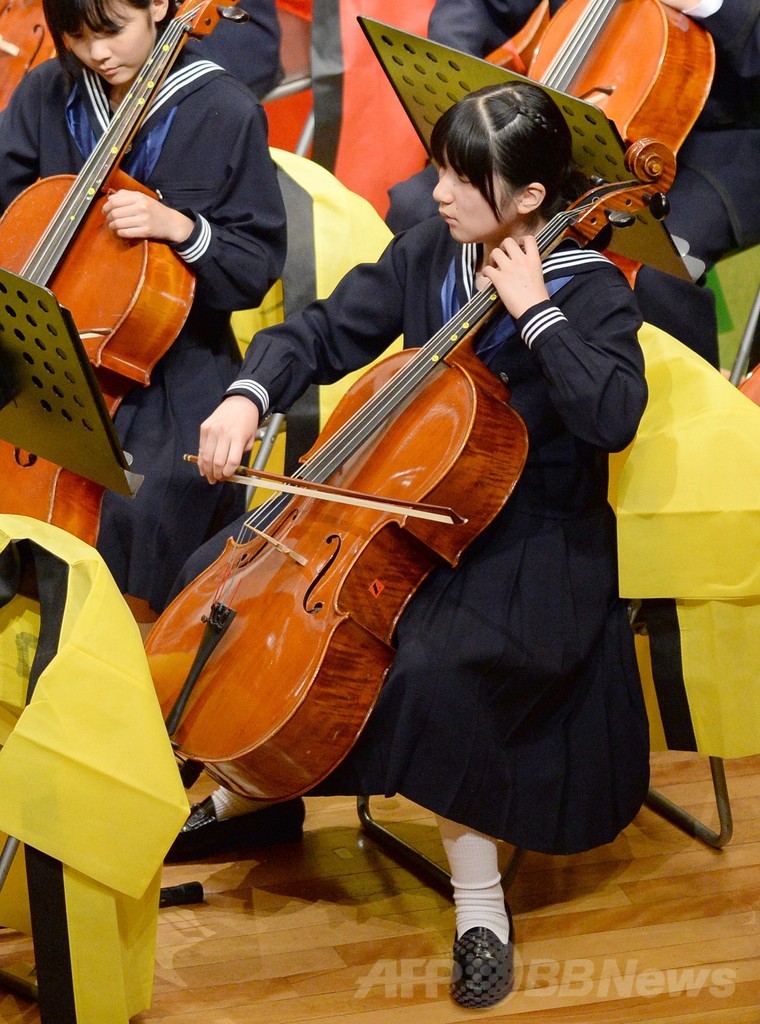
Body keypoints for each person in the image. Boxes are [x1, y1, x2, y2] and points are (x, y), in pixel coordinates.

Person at [162, 79, 651, 1008]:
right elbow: (322, 328)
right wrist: (248, 394)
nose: (436, 194)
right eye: (438, 169)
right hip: (403, 512)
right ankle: (251, 792)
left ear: (530, 200)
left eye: (463, 180)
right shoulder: (432, 250)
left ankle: (479, 907)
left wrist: (537, 314)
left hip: (533, 537)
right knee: (216, 584)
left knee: (431, 669)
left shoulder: (591, 294)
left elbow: (614, 415)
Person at [0, 0, 287, 617]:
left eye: (110, 31)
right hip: (47, 350)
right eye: (76, 37)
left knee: (134, 509)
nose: (95, 53)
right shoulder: (48, 91)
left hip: (170, 364)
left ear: (159, 5)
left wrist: (182, 228)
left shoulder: (226, 109)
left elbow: (254, 267)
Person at [387, 0, 760, 371]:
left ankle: (679, 412)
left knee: (653, 266)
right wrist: (461, 90)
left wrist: (708, 5)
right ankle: (441, 387)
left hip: (722, 141)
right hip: (581, 104)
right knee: (419, 205)